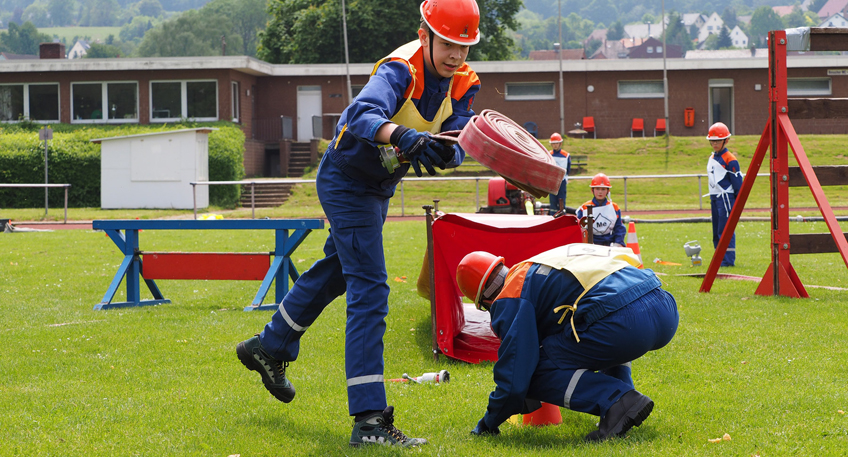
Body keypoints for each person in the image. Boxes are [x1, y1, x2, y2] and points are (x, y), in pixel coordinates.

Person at [235, 0, 481, 448]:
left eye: (464, 47)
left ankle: (269, 346)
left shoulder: (465, 82)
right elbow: (359, 116)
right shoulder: (398, 70)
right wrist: (405, 136)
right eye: (448, 44)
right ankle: (369, 420)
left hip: (378, 186)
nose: (456, 56)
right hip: (346, 178)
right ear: (425, 36)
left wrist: (450, 152)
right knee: (371, 288)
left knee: (338, 271)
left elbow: (461, 134)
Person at [456, 244, 678, 441]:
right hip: (661, 305)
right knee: (580, 331)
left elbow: (516, 372)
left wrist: (488, 422)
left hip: (624, 322)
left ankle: (617, 401)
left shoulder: (510, 294)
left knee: (532, 370)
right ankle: (623, 403)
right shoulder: (538, 265)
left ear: (485, 300)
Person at [706, 122, 743, 267]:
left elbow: (737, 183)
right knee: (716, 230)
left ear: (726, 140)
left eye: (718, 141)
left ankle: (727, 260)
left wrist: (738, 201)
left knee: (725, 229)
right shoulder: (713, 157)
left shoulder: (730, 159)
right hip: (715, 197)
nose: (714, 144)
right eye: (712, 141)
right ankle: (718, 257)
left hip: (726, 198)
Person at [576, 173, 626, 247]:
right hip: (590, 244)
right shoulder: (584, 208)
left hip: (609, 243)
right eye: (597, 188)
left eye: (603, 189)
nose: (600, 192)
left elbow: (619, 228)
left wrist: (618, 243)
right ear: (592, 190)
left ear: (608, 191)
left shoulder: (614, 207)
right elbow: (579, 229)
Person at [548, 132, 571, 215]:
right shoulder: (549, 154)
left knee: (561, 200)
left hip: (562, 181)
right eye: (553, 144)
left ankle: (562, 216)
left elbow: (568, 168)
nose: (554, 145)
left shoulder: (566, 155)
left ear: (560, 143)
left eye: (556, 143)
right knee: (553, 201)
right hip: (552, 182)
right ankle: (552, 216)